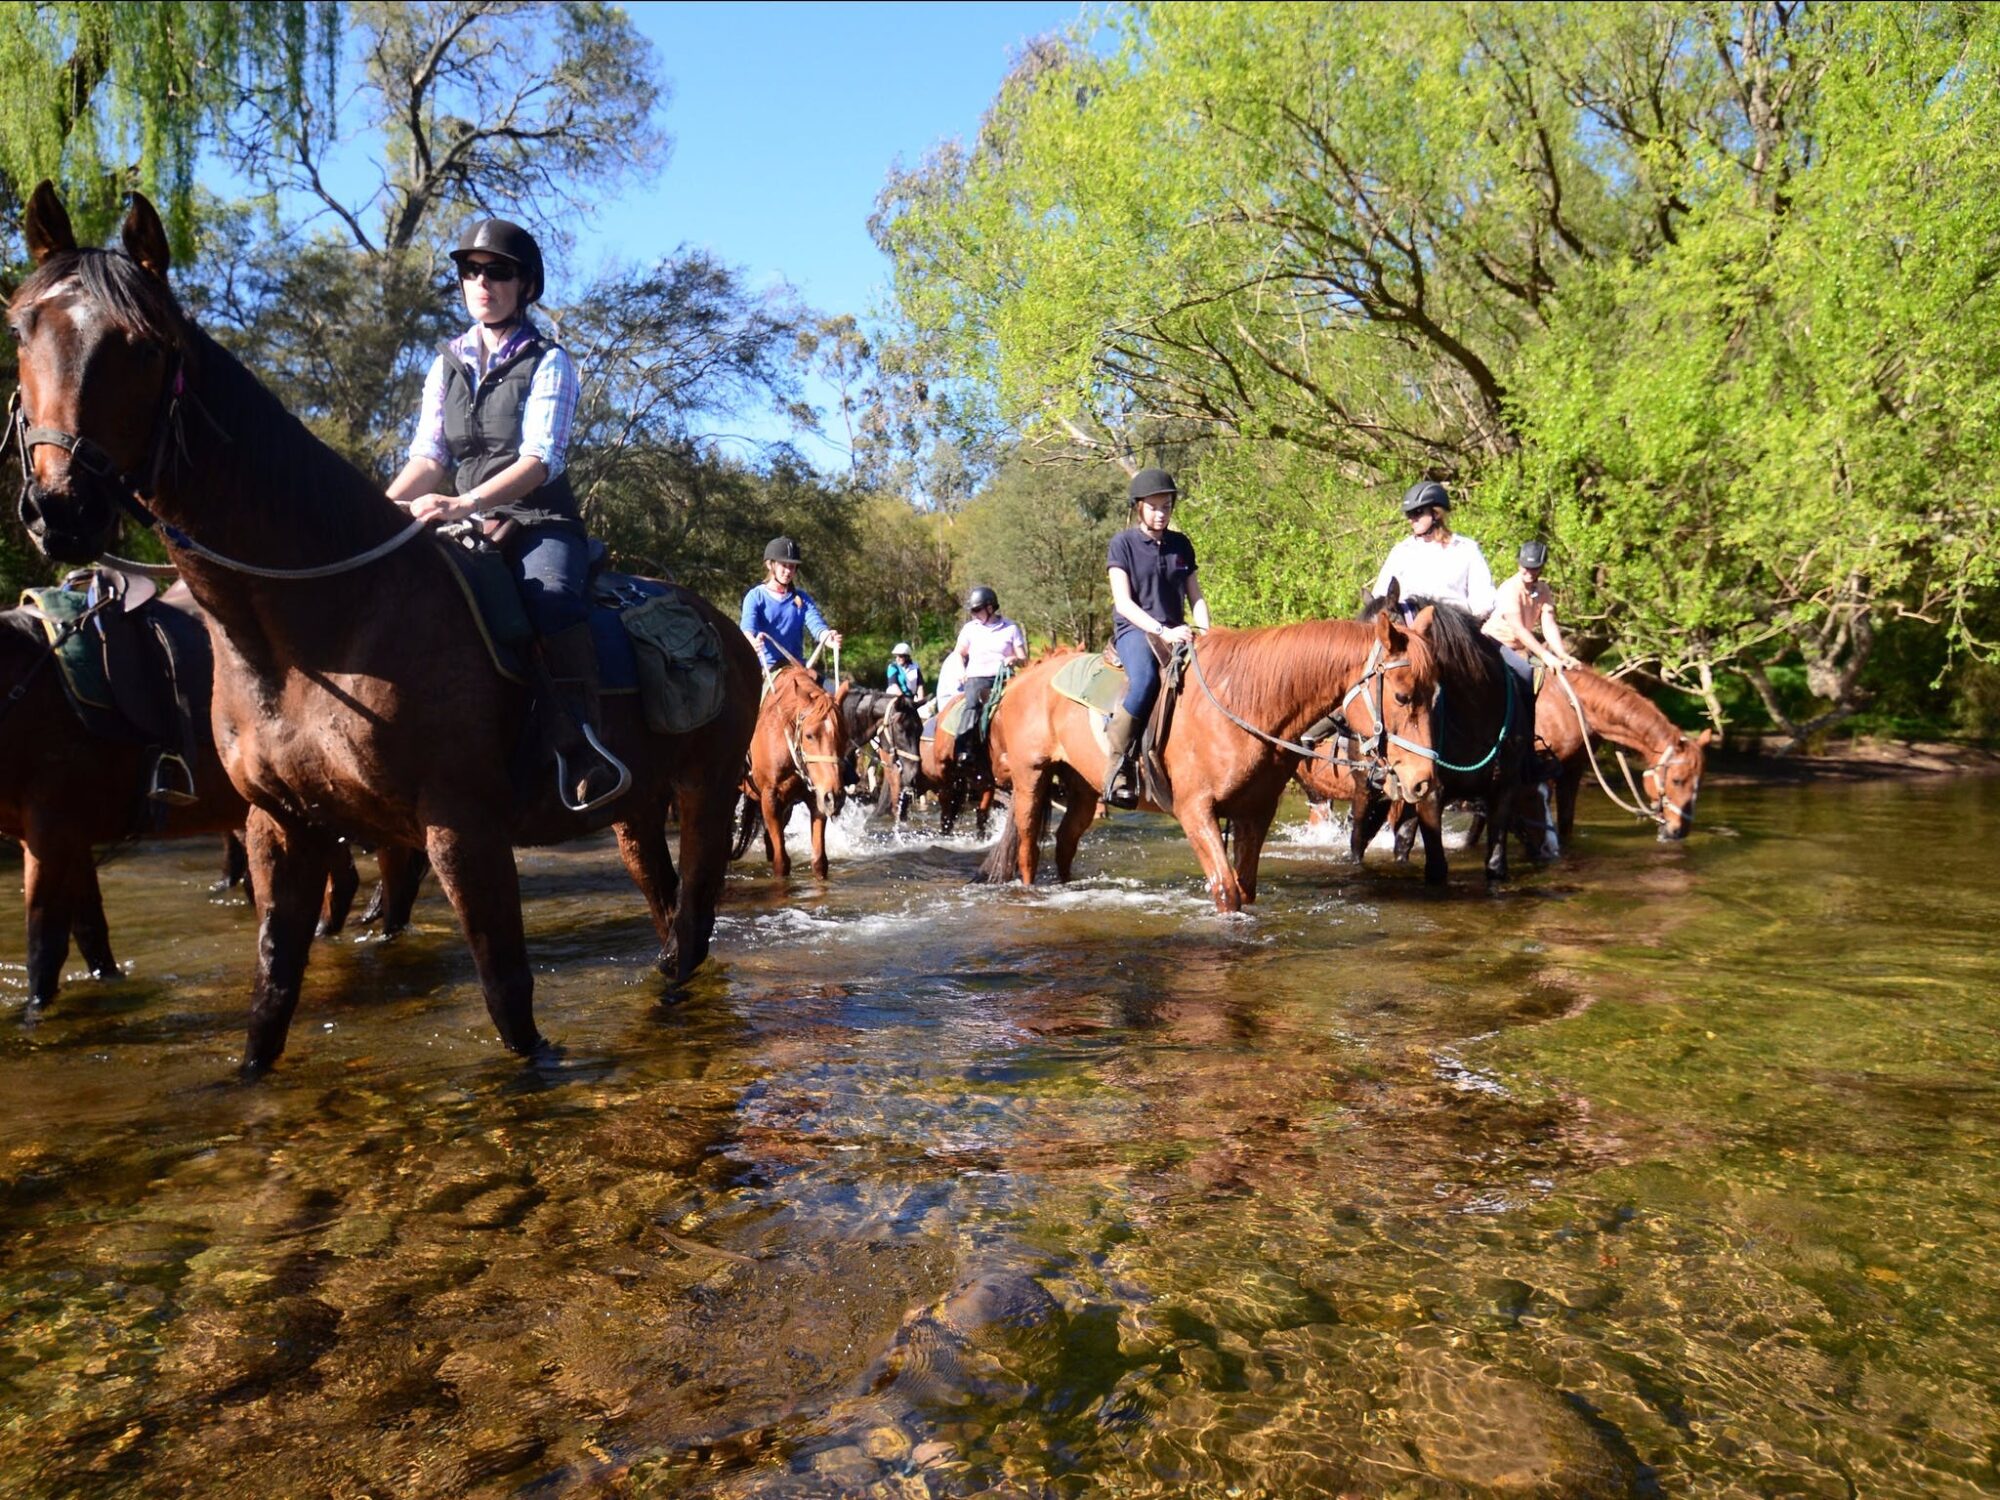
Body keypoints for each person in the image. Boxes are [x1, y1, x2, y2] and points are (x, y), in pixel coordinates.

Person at [387, 216, 625, 810]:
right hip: (459, 517)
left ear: (526, 285)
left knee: (549, 600)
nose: (481, 281)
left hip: (539, 522)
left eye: (498, 271)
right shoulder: (445, 362)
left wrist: (464, 501)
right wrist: (379, 510)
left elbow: (540, 460)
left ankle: (582, 746)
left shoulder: (551, 361)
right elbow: (428, 455)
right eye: (470, 271)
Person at [1105, 467, 1209, 807]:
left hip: (1177, 631)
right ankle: (1119, 764)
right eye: (1154, 506)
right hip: (1135, 629)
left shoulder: (1181, 544)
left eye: (1166, 506)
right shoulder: (1123, 544)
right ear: (1139, 507)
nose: (1161, 513)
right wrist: (1162, 630)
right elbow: (1123, 602)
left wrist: (1207, 633)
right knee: (1147, 680)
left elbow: (1196, 596)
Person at [1371, 480, 1496, 621]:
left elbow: (1483, 600)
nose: (1411, 520)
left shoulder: (1465, 550)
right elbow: (1380, 596)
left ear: (1436, 513)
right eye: (1409, 515)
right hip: (1410, 630)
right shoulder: (1401, 552)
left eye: (1417, 513)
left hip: (1454, 631)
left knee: (1502, 643)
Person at [740, 536, 842, 678]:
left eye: (792, 566)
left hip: (797, 669)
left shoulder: (802, 598)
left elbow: (816, 625)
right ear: (770, 565)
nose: (788, 571)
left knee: (830, 697)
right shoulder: (755, 596)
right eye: (784, 565)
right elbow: (747, 628)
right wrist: (752, 642)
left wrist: (828, 638)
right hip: (767, 671)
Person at [950, 586, 1027, 765]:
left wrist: (1014, 659)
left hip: (1005, 677)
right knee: (973, 705)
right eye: (972, 610)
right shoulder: (970, 629)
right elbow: (959, 653)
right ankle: (963, 749)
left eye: (977, 610)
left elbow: (1024, 659)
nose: (974, 614)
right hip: (978, 677)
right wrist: (961, 671)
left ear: (990, 608)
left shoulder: (1011, 628)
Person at [1482, 540, 1581, 674]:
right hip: (1494, 645)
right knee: (1526, 673)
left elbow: (1549, 624)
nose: (1529, 572)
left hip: (1518, 649)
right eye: (1525, 567)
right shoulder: (1510, 589)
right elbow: (1518, 629)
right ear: (1519, 564)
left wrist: (1561, 654)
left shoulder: (1543, 589)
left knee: (1542, 673)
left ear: (1542, 567)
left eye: (1534, 568)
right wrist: (1545, 655)